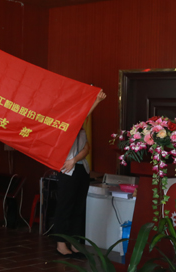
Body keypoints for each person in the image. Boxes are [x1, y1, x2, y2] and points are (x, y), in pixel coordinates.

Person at [53, 90, 106, 257]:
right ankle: (61, 245)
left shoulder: (81, 130)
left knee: (79, 208)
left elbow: (86, 149)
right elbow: (79, 119)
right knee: (65, 207)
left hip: (81, 169)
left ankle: (75, 244)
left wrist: (75, 159)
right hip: (67, 171)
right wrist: (96, 102)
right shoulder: (62, 125)